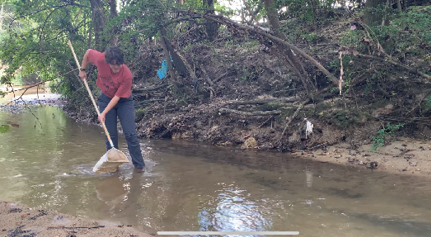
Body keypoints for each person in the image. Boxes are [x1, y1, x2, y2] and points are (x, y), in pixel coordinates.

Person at [79, 46, 145, 172]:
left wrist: (103, 113)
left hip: (123, 102)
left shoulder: (127, 75)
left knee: (130, 135)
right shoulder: (100, 59)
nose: (116, 67)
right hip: (105, 99)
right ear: (107, 62)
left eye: (119, 64)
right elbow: (87, 53)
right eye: (113, 65)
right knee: (110, 135)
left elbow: (117, 97)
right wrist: (82, 70)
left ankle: (139, 167)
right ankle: (113, 166)